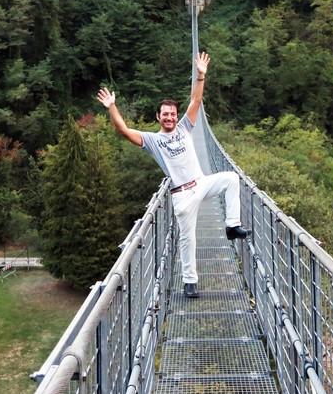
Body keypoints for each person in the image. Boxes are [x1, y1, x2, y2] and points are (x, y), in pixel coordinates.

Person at [97, 52, 249, 299]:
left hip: (201, 183)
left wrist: (200, 76)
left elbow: (196, 102)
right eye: (165, 114)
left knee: (231, 178)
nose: (169, 117)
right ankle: (190, 282)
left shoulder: (184, 128)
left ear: (175, 116)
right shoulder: (153, 140)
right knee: (189, 239)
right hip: (182, 195)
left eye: (172, 113)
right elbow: (123, 131)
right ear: (158, 117)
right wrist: (112, 106)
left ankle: (232, 226)